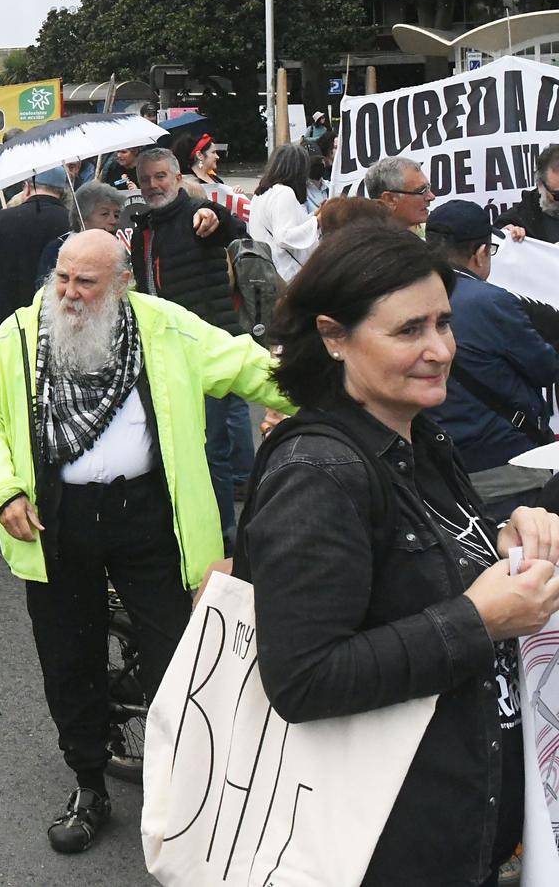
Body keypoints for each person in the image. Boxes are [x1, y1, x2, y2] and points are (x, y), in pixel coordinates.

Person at [241, 222, 559, 887]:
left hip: (458, 836)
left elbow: (418, 569)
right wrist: (479, 619)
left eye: (444, 322)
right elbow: (302, 678)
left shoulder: (419, 435)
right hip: (380, 850)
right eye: (409, 330)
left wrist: (503, 538)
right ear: (333, 335)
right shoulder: (319, 471)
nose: (441, 349)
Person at [0, 230, 288, 854]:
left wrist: (313, 397)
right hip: (58, 520)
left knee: (180, 658)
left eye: (86, 282)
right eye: (62, 277)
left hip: (150, 519)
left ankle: (184, 791)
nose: (69, 293)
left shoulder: (165, 326)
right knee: (70, 658)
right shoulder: (24, 332)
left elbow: (249, 365)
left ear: (121, 284)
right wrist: (3, 490)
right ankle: (89, 783)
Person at [131, 145, 254, 539]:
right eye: (145, 179)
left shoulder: (196, 214)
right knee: (173, 448)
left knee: (211, 450)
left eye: (160, 177)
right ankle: (185, 531)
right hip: (164, 353)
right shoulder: (143, 228)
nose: (153, 185)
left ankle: (224, 538)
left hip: (206, 350)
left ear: (178, 177)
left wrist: (211, 214)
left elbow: (229, 226)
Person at [423, 199, 559, 516]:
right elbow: (544, 368)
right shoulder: (491, 301)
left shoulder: (404, 293)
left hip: (438, 464)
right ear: (481, 252)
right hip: (505, 464)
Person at [0, 167, 74, 351]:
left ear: (27, 188)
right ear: (62, 192)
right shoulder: (73, 223)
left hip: (2, 327)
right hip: (54, 328)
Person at [249, 142, 322, 281]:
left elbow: (288, 223)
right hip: (286, 275)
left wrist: (314, 216)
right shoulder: (284, 192)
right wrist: (317, 222)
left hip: (266, 270)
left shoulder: (261, 193)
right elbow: (284, 236)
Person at [35, 181, 126, 280]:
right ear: (82, 217)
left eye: (116, 215)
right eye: (104, 214)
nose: (113, 221)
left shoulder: (118, 250)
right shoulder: (57, 248)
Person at [500, 143, 559, 243]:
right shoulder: (522, 218)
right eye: (557, 195)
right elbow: (498, 234)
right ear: (540, 185)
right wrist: (507, 236)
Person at [361, 154, 435, 230]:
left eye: (428, 188)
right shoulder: (370, 240)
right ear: (389, 200)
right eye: (421, 190)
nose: (432, 197)